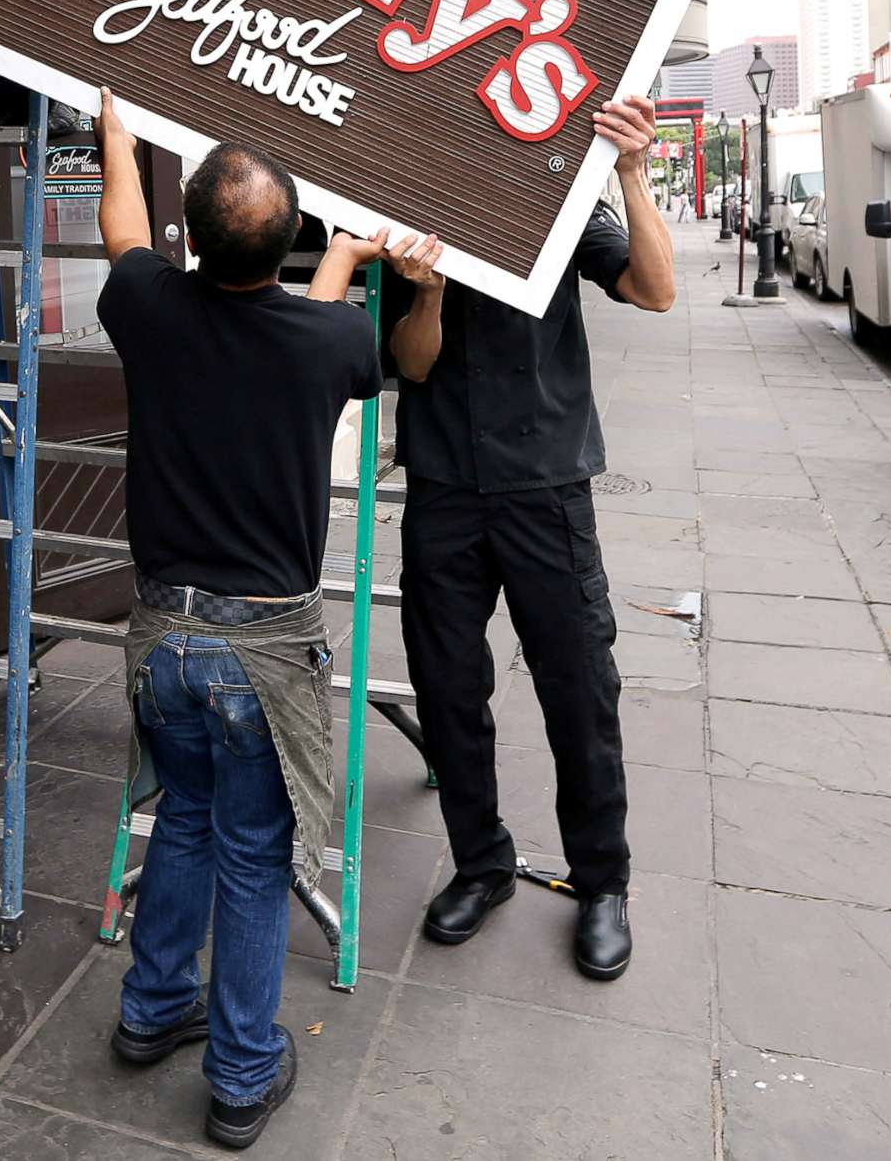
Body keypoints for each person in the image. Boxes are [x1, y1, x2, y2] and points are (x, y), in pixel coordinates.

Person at [93, 89, 389, 1151]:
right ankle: (241, 1074)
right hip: (262, 653)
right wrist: (357, 269)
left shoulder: (150, 307)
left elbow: (124, 232)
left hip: (161, 641)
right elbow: (330, 336)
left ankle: (150, 1008)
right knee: (256, 858)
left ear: (192, 241)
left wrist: (115, 134)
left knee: (180, 818)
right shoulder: (329, 344)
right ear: (293, 237)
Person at [381, 94, 675, 979]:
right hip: (444, 489)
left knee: (579, 689)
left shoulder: (562, 200)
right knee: (446, 687)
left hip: (547, 485)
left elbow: (655, 290)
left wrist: (629, 168)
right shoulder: (411, 212)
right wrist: (426, 294)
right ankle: (482, 863)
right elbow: (415, 361)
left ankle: (603, 883)